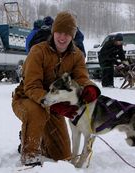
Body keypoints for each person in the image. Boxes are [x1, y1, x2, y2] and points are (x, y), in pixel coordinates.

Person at [11, 11, 100, 167]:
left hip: (53, 105)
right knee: (36, 112)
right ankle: (30, 154)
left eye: (67, 33)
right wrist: (52, 103)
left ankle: (39, 137)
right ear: (53, 32)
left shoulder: (77, 55)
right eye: (59, 32)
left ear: (73, 35)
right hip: (26, 99)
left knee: (62, 155)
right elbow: (31, 86)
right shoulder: (38, 51)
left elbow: (81, 78)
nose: (62, 37)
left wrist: (89, 88)